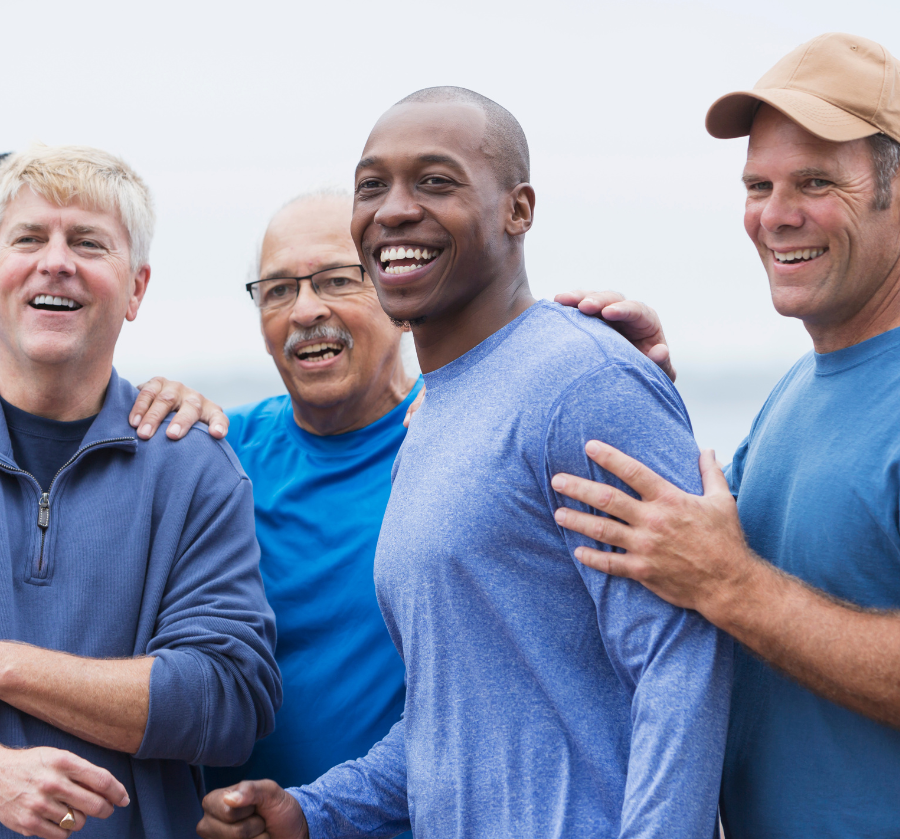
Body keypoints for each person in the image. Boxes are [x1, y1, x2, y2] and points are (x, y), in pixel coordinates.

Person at [198, 87, 732, 839]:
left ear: (518, 209)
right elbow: (454, 718)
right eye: (372, 185)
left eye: (436, 181)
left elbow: (681, 666)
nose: (394, 210)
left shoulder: (582, 379)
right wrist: (315, 814)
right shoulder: (434, 416)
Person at [551, 33, 900, 838]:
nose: (776, 215)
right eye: (759, 184)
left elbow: (726, 575)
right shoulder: (800, 388)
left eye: (816, 182)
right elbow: (709, 540)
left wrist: (732, 586)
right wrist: (640, 398)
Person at [0, 145, 280, 838]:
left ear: (137, 289)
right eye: (27, 238)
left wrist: (7, 665)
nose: (56, 261)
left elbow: (226, 701)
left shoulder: (194, 469)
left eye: (89, 242)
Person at [202, 192, 420, 839]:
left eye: (336, 281)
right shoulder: (214, 456)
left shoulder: (460, 453)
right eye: (276, 290)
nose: (305, 310)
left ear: (401, 300)